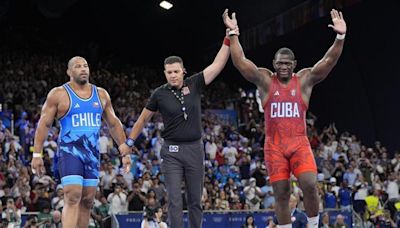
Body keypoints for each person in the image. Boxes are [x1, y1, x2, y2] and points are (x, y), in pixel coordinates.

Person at [223, 8, 347, 228]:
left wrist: (340, 37)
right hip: (275, 146)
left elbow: (328, 62)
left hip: (299, 143)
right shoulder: (265, 81)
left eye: (287, 63)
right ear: (274, 63)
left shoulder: (305, 80)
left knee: (309, 184)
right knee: (281, 193)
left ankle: (313, 224)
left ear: (294, 64)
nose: (283, 67)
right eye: (280, 63)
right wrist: (233, 34)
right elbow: (241, 62)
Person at [119, 10, 231, 228]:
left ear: (183, 71)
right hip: (171, 151)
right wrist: (129, 143)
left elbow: (217, 64)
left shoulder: (195, 83)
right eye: (168, 72)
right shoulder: (159, 94)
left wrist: (229, 36)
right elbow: (142, 121)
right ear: (165, 73)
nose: (172, 75)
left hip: (195, 149)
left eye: (176, 72)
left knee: (195, 200)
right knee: (175, 201)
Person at [31, 56, 131, 228]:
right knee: (72, 196)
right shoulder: (58, 94)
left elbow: (113, 123)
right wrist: (37, 153)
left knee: (87, 200)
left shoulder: (101, 94)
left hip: (91, 153)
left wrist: (124, 148)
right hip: (70, 152)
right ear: (69, 72)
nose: (83, 69)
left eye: (85, 66)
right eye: (78, 66)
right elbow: (44, 124)